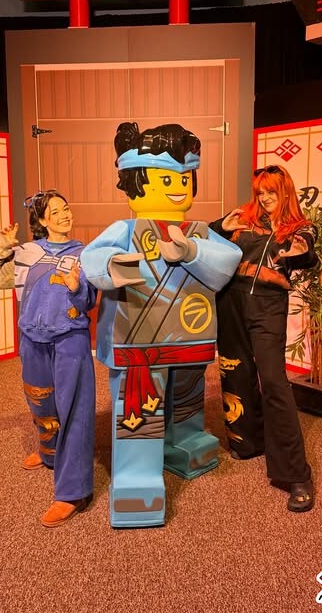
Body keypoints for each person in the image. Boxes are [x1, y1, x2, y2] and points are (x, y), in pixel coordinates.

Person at [81, 122, 242, 528]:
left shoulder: (198, 232)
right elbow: (92, 259)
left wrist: (191, 250)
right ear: (134, 182)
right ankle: (137, 479)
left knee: (187, 399)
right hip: (139, 340)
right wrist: (115, 265)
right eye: (167, 179)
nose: (178, 188)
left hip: (190, 338)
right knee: (140, 408)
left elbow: (228, 260)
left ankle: (184, 442)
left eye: (184, 179)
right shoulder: (124, 229)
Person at [0, 190, 96, 527]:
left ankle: (72, 491)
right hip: (32, 338)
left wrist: (75, 287)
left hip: (70, 339)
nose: (64, 214)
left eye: (66, 208)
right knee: (40, 401)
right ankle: (49, 453)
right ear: (42, 220)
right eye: (55, 211)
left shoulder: (85, 254)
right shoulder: (27, 253)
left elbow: (89, 301)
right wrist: (2, 246)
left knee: (75, 411)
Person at [209, 164, 318, 512]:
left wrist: (297, 251)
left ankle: (296, 475)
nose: (265, 197)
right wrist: (220, 227)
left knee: (273, 381)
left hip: (269, 306)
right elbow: (205, 240)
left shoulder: (300, 227)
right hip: (231, 300)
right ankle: (247, 442)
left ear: (285, 191)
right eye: (260, 192)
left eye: (271, 191)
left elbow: (307, 251)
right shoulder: (244, 217)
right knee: (235, 372)